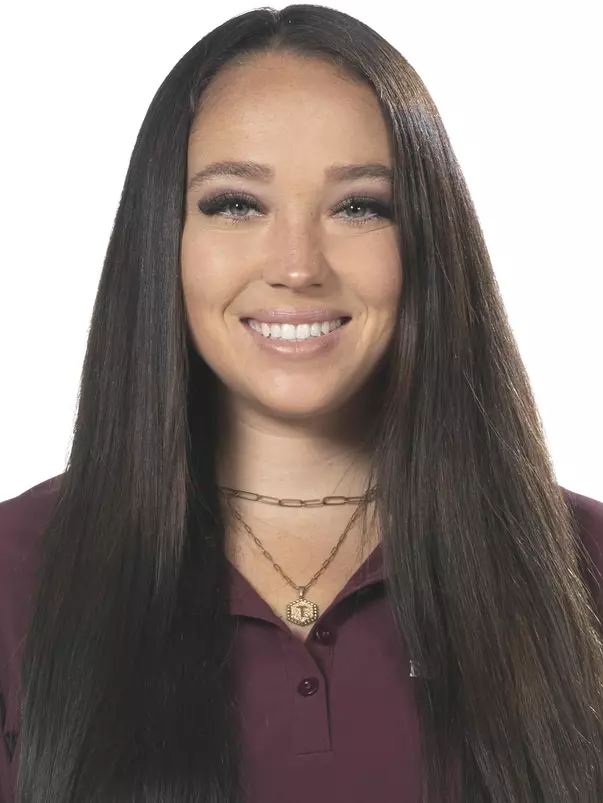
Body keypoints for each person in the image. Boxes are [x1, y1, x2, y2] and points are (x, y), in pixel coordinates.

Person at [1, 5, 602, 803]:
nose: (296, 265)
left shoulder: (584, 566)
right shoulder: (15, 573)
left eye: (359, 206)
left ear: (425, 239)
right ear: (163, 238)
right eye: (235, 203)